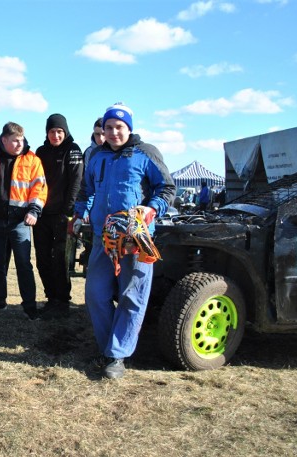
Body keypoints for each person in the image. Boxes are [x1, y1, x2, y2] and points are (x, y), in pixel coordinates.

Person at [74, 103, 175, 379]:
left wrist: (151, 208)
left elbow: (166, 189)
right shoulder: (95, 156)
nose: (114, 132)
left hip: (135, 240)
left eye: (119, 127)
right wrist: (79, 214)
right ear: (103, 130)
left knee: (132, 297)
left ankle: (117, 355)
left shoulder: (146, 153)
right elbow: (85, 191)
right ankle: (108, 347)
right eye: (109, 127)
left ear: (129, 128)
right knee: (96, 295)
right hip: (102, 239)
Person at [0, 122, 47, 320]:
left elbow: (39, 187)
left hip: (20, 221)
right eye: (15, 140)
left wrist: (34, 211)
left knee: (23, 264)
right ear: (4, 140)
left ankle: (30, 307)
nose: (20, 144)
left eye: (21, 140)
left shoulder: (32, 159)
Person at [34, 114, 83, 319]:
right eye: (52, 131)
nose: (56, 135)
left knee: (60, 260)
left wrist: (68, 211)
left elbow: (76, 182)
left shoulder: (73, 150)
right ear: (47, 132)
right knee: (42, 259)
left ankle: (63, 300)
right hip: (42, 214)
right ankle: (51, 298)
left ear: (66, 132)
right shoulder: (41, 151)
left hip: (63, 215)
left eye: (59, 131)